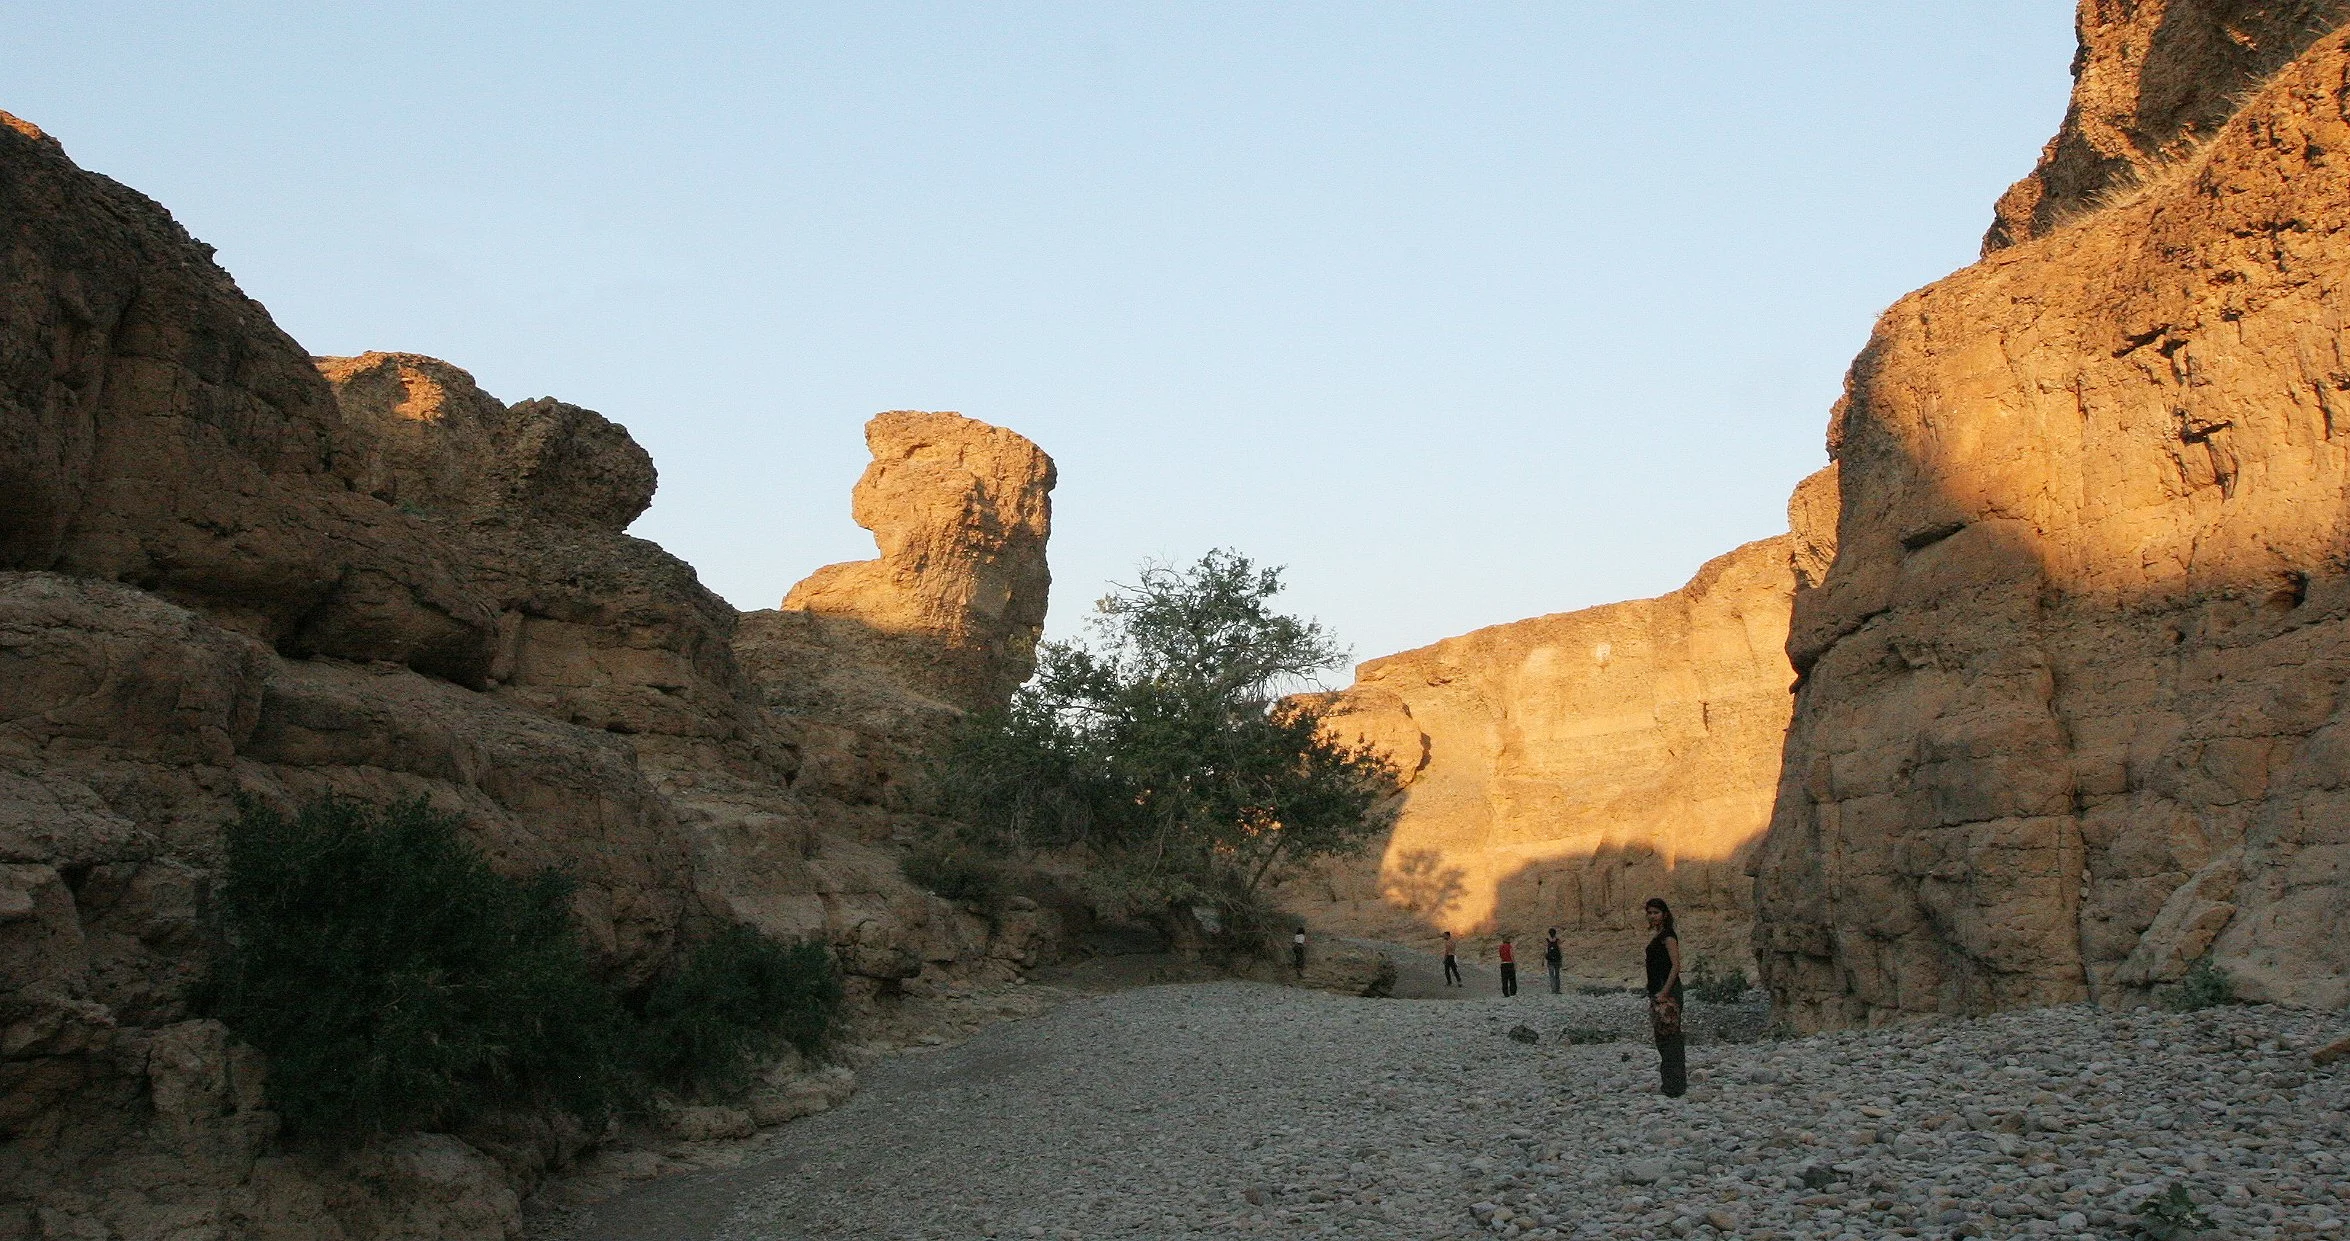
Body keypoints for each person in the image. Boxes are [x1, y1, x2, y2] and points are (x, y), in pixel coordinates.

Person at [1644, 897, 1686, 1097]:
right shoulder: (1658, 935)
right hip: (1658, 991)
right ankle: (1670, 1083)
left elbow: (1676, 966)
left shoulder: (1668, 936)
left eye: (1656, 912)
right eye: (1650, 912)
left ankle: (1675, 1086)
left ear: (1665, 914)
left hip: (1667, 992)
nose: (1652, 916)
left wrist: (1665, 992)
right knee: (1662, 1037)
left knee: (1670, 1038)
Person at [1544, 928, 1564, 994]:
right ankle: (1557, 990)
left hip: (1550, 961)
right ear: (1555, 933)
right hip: (1557, 960)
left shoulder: (1547, 941)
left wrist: (1544, 960)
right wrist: (1561, 959)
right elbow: (1560, 950)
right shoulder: (1557, 940)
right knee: (1557, 975)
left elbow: (1546, 951)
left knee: (1551, 975)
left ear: (1549, 933)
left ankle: (1553, 990)